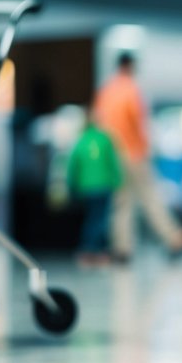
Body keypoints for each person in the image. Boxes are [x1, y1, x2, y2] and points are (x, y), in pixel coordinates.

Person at [93, 52, 182, 262]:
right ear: (130, 65)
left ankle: (121, 248)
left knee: (122, 202)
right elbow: (138, 123)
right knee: (150, 196)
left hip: (113, 155)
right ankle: (173, 237)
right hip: (133, 152)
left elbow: (99, 121)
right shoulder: (130, 89)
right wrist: (146, 148)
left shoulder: (107, 91)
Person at [66, 108, 121, 266]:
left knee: (92, 219)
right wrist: (117, 181)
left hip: (87, 187)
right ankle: (94, 249)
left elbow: (73, 165)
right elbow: (113, 162)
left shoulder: (81, 140)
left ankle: (90, 250)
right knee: (100, 219)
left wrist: (72, 185)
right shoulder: (104, 139)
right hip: (104, 186)